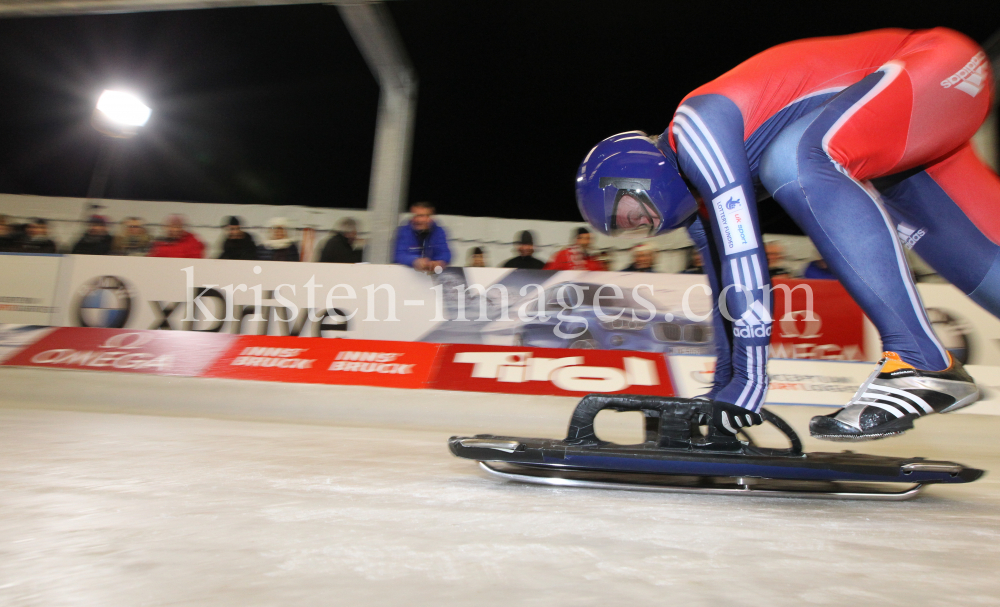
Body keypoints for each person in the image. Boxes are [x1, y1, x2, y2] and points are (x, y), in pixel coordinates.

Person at [575, 28, 994, 441]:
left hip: (936, 66)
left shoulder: (694, 127)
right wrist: (724, 388)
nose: (642, 230)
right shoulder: (699, 205)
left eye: (629, 215)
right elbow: (726, 292)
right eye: (628, 232)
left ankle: (918, 361)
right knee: (984, 271)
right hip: (922, 117)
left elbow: (747, 261)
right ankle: (923, 363)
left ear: (637, 174)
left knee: (793, 161)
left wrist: (750, 383)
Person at [394, 201, 451, 272]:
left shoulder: (439, 231)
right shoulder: (403, 231)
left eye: (422, 216)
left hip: (430, 275)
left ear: (430, 217)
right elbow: (398, 255)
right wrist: (415, 261)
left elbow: (445, 253)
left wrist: (439, 261)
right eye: (415, 216)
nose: (419, 220)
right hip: (404, 274)